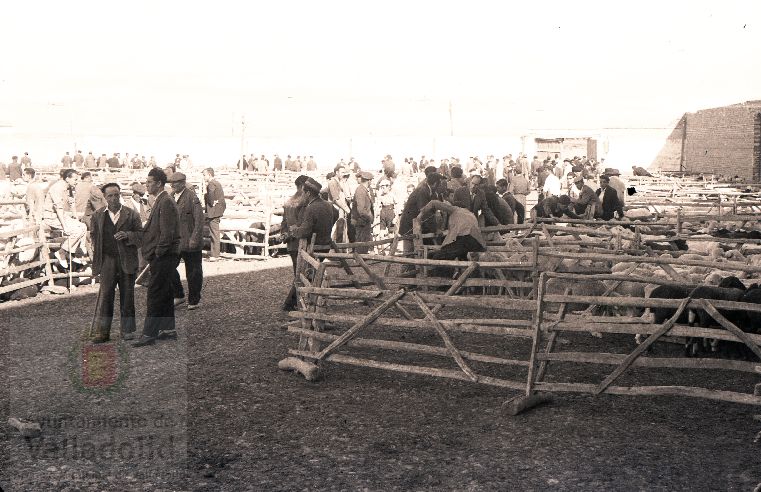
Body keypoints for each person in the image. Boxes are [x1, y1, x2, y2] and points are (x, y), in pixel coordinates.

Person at [90, 183, 144, 343]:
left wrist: (128, 235)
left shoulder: (131, 214)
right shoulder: (98, 215)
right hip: (107, 261)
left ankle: (127, 330)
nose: (113, 199)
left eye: (116, 195)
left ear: (120, 195)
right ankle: (103, 332)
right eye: (110, 196)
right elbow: (94, 236)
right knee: (106, 296)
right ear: (105, 198)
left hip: (127, 260)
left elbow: (141, 236)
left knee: (127, 296)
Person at [133, 168, 180, 347]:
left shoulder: (165, 201)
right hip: (164, 254)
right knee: (166, 291)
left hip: (164, 255)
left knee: (154, 292)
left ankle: (148, 334)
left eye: (149, 182)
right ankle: (168, 329)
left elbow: (167, 232)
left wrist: (158, 252)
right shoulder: (161, 200)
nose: (147, 185)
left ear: (159, 183)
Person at [416, 199, 486, 277]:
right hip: (477, 243)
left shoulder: (456, 209)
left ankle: (444, 285)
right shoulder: (471, 214)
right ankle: (469, 284)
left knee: (439, 257)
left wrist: (420, 214)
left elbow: (433, 203)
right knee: (466, 261)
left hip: (464, 239)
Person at [168, 172, 204, 310]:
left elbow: (199, 220)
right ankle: (178, 294)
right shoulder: (171, 197)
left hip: (190, 241)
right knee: (168, 267)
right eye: (171, 182)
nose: (172, 185)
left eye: (175, 182)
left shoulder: (191, 197)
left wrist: (195, 239)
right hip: (176, 242)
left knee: (193, 272)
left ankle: (194, 300)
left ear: (183, 182)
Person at [43, 169, 88, 266]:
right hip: (51, 216)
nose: (77, 182)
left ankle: (70, 252)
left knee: (83, 226)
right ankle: (61, 252)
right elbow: (58, 208)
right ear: (67, 178)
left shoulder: (70, 187)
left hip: (61, 215)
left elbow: (72, 204)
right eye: (75, 179)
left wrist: (76, 220)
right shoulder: (57, 188)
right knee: (75, 231)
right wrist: (65, 226)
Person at [281, 175, 309, 311]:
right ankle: (290, 302)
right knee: (301, 274)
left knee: (298, 273)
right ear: (303, 186)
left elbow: (284, 223)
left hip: (291, 243)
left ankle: (295, 302)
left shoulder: (288, 202)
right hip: (300, 242)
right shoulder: (303, 202)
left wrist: (285, 235)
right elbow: (303, 223)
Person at [287, 177, 334, 250]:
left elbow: (305, 232)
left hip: (314, 247)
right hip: (326, 245)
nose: (302, 195)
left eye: (303, 193)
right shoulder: (328, 205)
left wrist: (294, 229)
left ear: (308, 193)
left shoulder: (311, 208)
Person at [202, 167, 225, 262]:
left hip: (214, 211)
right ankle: (215, 254)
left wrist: (211, 203)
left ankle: (215, 255)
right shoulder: (217, 183)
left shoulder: (211, 184)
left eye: (204, 175)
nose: (203, 177)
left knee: (214, 233)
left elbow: (210, 195)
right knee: (215, 233)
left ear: (209, 175)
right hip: (218, 210)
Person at [351, 171, 375, 253]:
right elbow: (361, 209)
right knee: (361, 241)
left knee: (364, 241)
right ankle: (360, 259)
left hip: (364, 220)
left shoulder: (363, 189)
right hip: (362, 221)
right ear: (369, 181)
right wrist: (368, 217)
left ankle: (361, 258)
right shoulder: (360, 190)